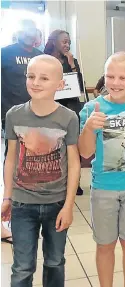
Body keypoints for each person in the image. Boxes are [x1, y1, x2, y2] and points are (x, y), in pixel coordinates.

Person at [1, 54, 80, 287]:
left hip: (56, 204)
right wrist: (7, 196)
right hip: (22, 204)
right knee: (22, 267)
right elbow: (10, 158)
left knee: (55, 262)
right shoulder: (14, 114)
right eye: (31, 76)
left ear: (60, 84)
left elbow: (74, 163)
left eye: (44, 78)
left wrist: (68, 206)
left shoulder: (68, 118)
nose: (35, 82)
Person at [78, 52, 125, 287]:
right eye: (110, 76)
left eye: (122, 77)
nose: (115, 82)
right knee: (105, 244)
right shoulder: (92, 108)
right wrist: (89, 128)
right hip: (103, 189)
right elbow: (85, 152)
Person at [1, 19, 42, 245]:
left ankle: (33, 203)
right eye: (25, 28)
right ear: (19, 31)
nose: (29, 33)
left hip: (39, 117)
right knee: (14, 160)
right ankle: (13, 203)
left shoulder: (39, 54)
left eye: (32, 29)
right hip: (12, 117)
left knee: (36, 160)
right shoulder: (5, 53)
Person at [44, 29, 85, 195]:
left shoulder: (72, 60)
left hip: (72, 108)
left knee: (73, 146)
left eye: (69, 41)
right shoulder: (45, 60)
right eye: (64, 41)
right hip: (52, 109)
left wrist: (72, 63)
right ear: (54, 42)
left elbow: (80, 85)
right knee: (53, 148)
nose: (67, 44)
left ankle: (75, 182)